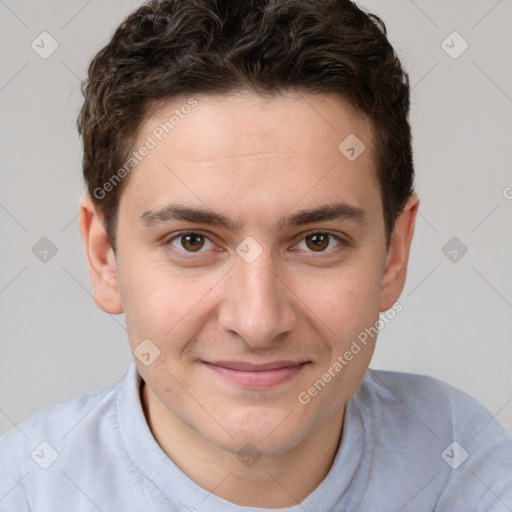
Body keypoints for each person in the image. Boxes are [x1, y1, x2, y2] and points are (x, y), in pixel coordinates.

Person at [1, 0, 511, 510]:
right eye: (192, 241)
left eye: (318, 240)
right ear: (104, 258)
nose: (258, 321)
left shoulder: (467, 470)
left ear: (393, 254)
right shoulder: (22, 490)